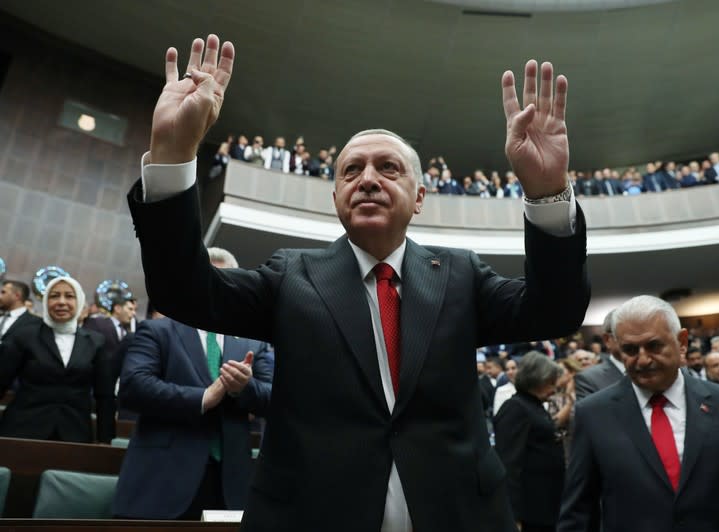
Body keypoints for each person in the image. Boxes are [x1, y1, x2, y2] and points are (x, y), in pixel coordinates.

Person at [127, 35, 589, 532]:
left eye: (388, 168)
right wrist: (174, 155)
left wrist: (545, 193)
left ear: (419, 198)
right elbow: (182, 290)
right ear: (336, 197)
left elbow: (555, 311)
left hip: (458, 514)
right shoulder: (291, 275)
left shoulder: (461, 274)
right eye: (352, 170)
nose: (368, 179)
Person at [558, 296, 719, 532]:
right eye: (630, 349)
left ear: (682, 342)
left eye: (654, 346)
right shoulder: (594, 415)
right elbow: (579, 512)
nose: (642, 360)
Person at [0, 277, 114, 443]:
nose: (61, 302)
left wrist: (105, 440)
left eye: (69, 296)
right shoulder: (25, 336)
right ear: (46, 301)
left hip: (75, 435)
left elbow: (105, 397)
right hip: (22, 430)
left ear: (80, 301)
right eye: (54, 296)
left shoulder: (96, 342)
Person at [494, 352, 565, 532]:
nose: (554, 387)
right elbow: (509, 464)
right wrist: (513, 516)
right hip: (530, 511)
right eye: (550, 382)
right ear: (536, 380)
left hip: (545, 506)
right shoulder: (515, 408)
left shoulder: (533, 405)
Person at [574, 310, 625, 401]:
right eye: (628, 334)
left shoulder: (652, 371)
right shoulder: (588, 379)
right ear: (608, 339)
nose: (637, 339)